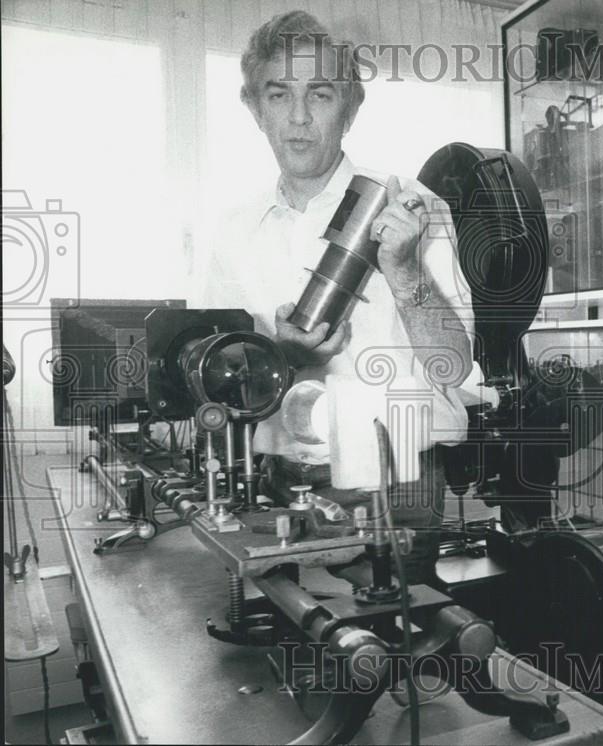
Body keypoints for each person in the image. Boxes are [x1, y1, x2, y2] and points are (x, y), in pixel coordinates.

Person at [198, 10, 477, 583]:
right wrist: (283, 354)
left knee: (391, 644)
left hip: (397, 479)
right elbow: (213, 368)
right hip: (276, 478)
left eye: (320, 95)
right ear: (254, 108)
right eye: (279, 95)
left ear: (349, 107)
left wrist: (403, 271)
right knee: (289, 651)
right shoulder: (233, 231)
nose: (298, 118)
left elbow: (454, 364)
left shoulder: (410, 207)